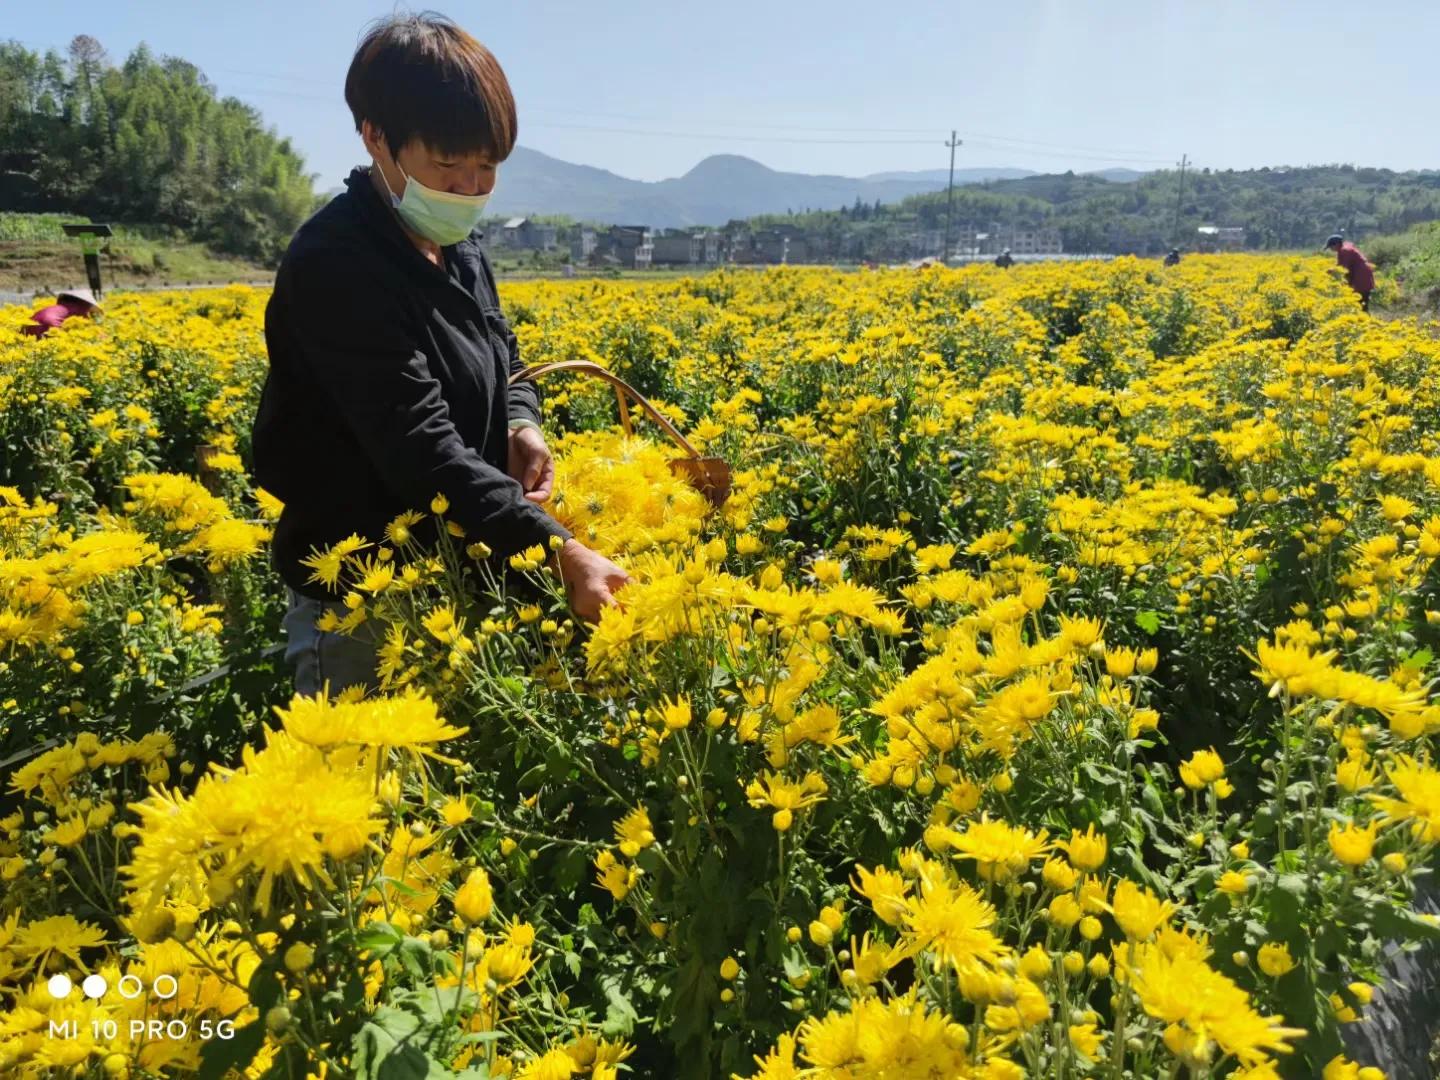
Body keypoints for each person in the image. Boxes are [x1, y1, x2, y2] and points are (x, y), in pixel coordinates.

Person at [251, 13, 630, 698]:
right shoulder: (336, 264)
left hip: (462, 560)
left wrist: (521, 422)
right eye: (447, 164)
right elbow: (417, 444)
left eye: (486, 168)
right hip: (364, 595)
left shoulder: (456, 247)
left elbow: (501, 351)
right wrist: (559, 548)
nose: (468, 189)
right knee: (363, 780)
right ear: (375, 138)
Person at [20, 288, 100, 338]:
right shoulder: (82, 307)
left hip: (29, 323)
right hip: (51, 323)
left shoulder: (61, 305)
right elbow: (89, 329)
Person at [1325, 234, 1375, 312]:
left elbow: (1343, 268)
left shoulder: (1345, 251)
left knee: (1361, 303)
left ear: (1337, 244)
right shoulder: (1343, 250)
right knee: (1359, 303)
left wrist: (1331, 271)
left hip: (1361, 276)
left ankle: (1365, 322)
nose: (1331, 249)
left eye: (1331, 247)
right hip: (1360, 275)